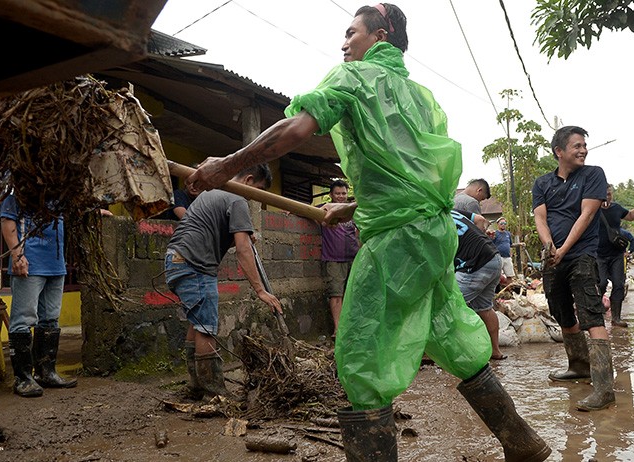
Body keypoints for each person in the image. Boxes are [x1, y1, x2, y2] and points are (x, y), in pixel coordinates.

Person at [187, 5, 550, 461]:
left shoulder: (352, 79)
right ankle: (523, 443)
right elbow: (416, 179)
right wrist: (355, 206)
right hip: (432, 236)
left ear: (380, 35)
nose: (343, 43)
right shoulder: (421, 98)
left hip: (396, 238)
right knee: (452, 332)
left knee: (360, 349)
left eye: (350, 32)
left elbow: (297, 127)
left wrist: (227, 166)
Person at [165, 164, 282, 399]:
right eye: (257, 190)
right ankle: (213, 392)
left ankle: (198, 386)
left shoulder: (212, 193)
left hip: (176, 260)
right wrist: (260, 291)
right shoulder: (237, 200)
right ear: (249, 181)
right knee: (207, 327)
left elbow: (214, 235)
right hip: (195, 264)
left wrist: (241, 236)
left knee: (197, 321)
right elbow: (243, 249)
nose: (254, 197)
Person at [533, 125, 614, 412]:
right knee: (562, 313)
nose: (583, 150)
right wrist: (549, 248)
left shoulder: (593, 174)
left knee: (591, 315)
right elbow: (541, 218)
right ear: (559, 151)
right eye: (576, 146)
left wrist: (563, 249)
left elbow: (587, 214)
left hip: (582, 255)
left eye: (584, 145)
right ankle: (578, 366)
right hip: (554, 258)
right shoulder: (542, 183)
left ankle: (604, 389)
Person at [0, 194, 78, 398]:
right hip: (30, 263)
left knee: (51, 318)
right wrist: (17, 256)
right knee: (23, 319)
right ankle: (23, 378)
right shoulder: (18, 194)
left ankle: (46, 373)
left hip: (56, 265)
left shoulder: (58, 197)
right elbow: (8, 223)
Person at [452, 210, 507, 361]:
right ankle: (495, 351)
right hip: (493, 257)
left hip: (474, 264)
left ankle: (455, 355)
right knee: (484, 307)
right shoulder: (450, 209)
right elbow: (480, 218)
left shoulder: (428, 220)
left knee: (447, 307)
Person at [597, 185, 634, 327]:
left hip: (616, 254)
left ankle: (616, 318)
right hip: (599, 254)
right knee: (601, 283)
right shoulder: (593, 209)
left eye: (609, 194)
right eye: (604, 194)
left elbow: (631, 216)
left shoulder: (617, 208)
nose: (607, 197)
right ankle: (597, 311)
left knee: (619, 284)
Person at [319, 179, 360, 338]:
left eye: (344, 193)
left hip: (354, 258)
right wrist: (292, 211)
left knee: (353, 294)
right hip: (334, 259)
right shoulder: (324, 210)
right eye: (338, 193)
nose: (341, 196)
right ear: (331, 195)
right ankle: (338, 330)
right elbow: (304, 210)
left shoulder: (352, 212)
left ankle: (351, 329)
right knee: (336, 294)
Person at [493, 217, 515, 287]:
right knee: (496, 276)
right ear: (498, 225)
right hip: (499, 257)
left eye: (504, 223)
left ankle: (510, 291)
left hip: (507, 257)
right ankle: (496, 291)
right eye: (501, 223)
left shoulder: (508, 234)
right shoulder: (495, 234)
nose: (503, 225)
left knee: (509, 275)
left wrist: (520, 244)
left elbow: (511, 245)